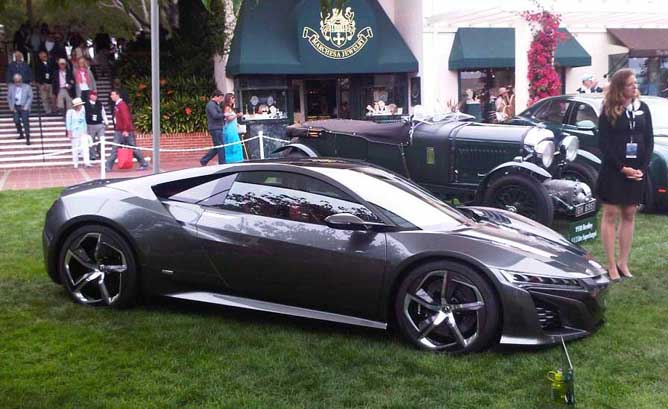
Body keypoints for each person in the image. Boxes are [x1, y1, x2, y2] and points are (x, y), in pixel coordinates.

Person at [595, 68, 653, 282]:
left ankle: (623, 262)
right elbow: (603, 143)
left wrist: (642, 168)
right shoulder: (609, 109)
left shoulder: (643, 108)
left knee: (629, 213)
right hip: (614, 170)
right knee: (610, 214)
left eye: (635, 83)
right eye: (630, 84)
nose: (635, 86)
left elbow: (649, 139)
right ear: (620, 87)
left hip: (636, 170)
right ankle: (610, 265)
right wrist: (621, 168)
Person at [106, 90, 149, 172]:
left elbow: (126, 118)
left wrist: (126, 130)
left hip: (124, 131)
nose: (111, 96)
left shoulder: (122, 105)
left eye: (112, 94)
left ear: (117, 95)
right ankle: (108, 165)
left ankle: (143, 163)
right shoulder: (118, 105)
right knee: (122, 148)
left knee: (131, 148)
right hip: (120, 130)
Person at [200, 90, 226, 166]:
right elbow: (215, 115)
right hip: (215, 128)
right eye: (220, 98)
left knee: (217, 146)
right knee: (220, 146)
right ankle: (222, 163)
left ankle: (204, 160)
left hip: (218, 127)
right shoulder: (211, 105)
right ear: (215, 97)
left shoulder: (215, 105)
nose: (221, 100)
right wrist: (225, 114)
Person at [66, 98, 91, 168]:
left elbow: (84, 122)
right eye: (79, 105)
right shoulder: (70, 112)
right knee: (75, 149)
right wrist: (69, 132)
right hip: (74, 132)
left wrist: (86, 131)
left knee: (85, 148)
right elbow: (68, 123)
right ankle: (75, 163)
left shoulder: (82, 112)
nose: (81, 106)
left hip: (83, 132)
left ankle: (87, 162)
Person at [7, 74, 33, 145]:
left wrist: (26, 106)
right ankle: (21, 134)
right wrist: (11, 107)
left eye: (18, 81)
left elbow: (30, 97)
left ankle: (28, 138)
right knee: (16, 120)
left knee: (25, 122)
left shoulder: (27, 87)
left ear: (21, 80)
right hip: (15, 107)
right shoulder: (11, 87)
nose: (17, 83)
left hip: (24, 107)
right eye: (16, 81)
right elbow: (9, 98)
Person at [85, 91, 109, 160]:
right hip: (90, 124)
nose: (95, 97)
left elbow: (103, 113)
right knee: (91, 140)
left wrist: (106, 122)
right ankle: (92, 155)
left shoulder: (99, 104)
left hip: (99, 124)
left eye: (96, 95)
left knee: (101, 139)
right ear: (90, 96)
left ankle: (99, 151)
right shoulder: (86, 105)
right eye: (93, 95)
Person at [222, 93, 244, 163]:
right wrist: (237, 115)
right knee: (233, 144)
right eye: (232, 98)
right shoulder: (227, 108)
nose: (234, 99)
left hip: (233, 128)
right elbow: (228, 118)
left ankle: (237, 159)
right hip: (230, 129)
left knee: (236, 144)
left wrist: (236, 123)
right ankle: (232, 160)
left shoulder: (231, 108)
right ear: (228, 99)